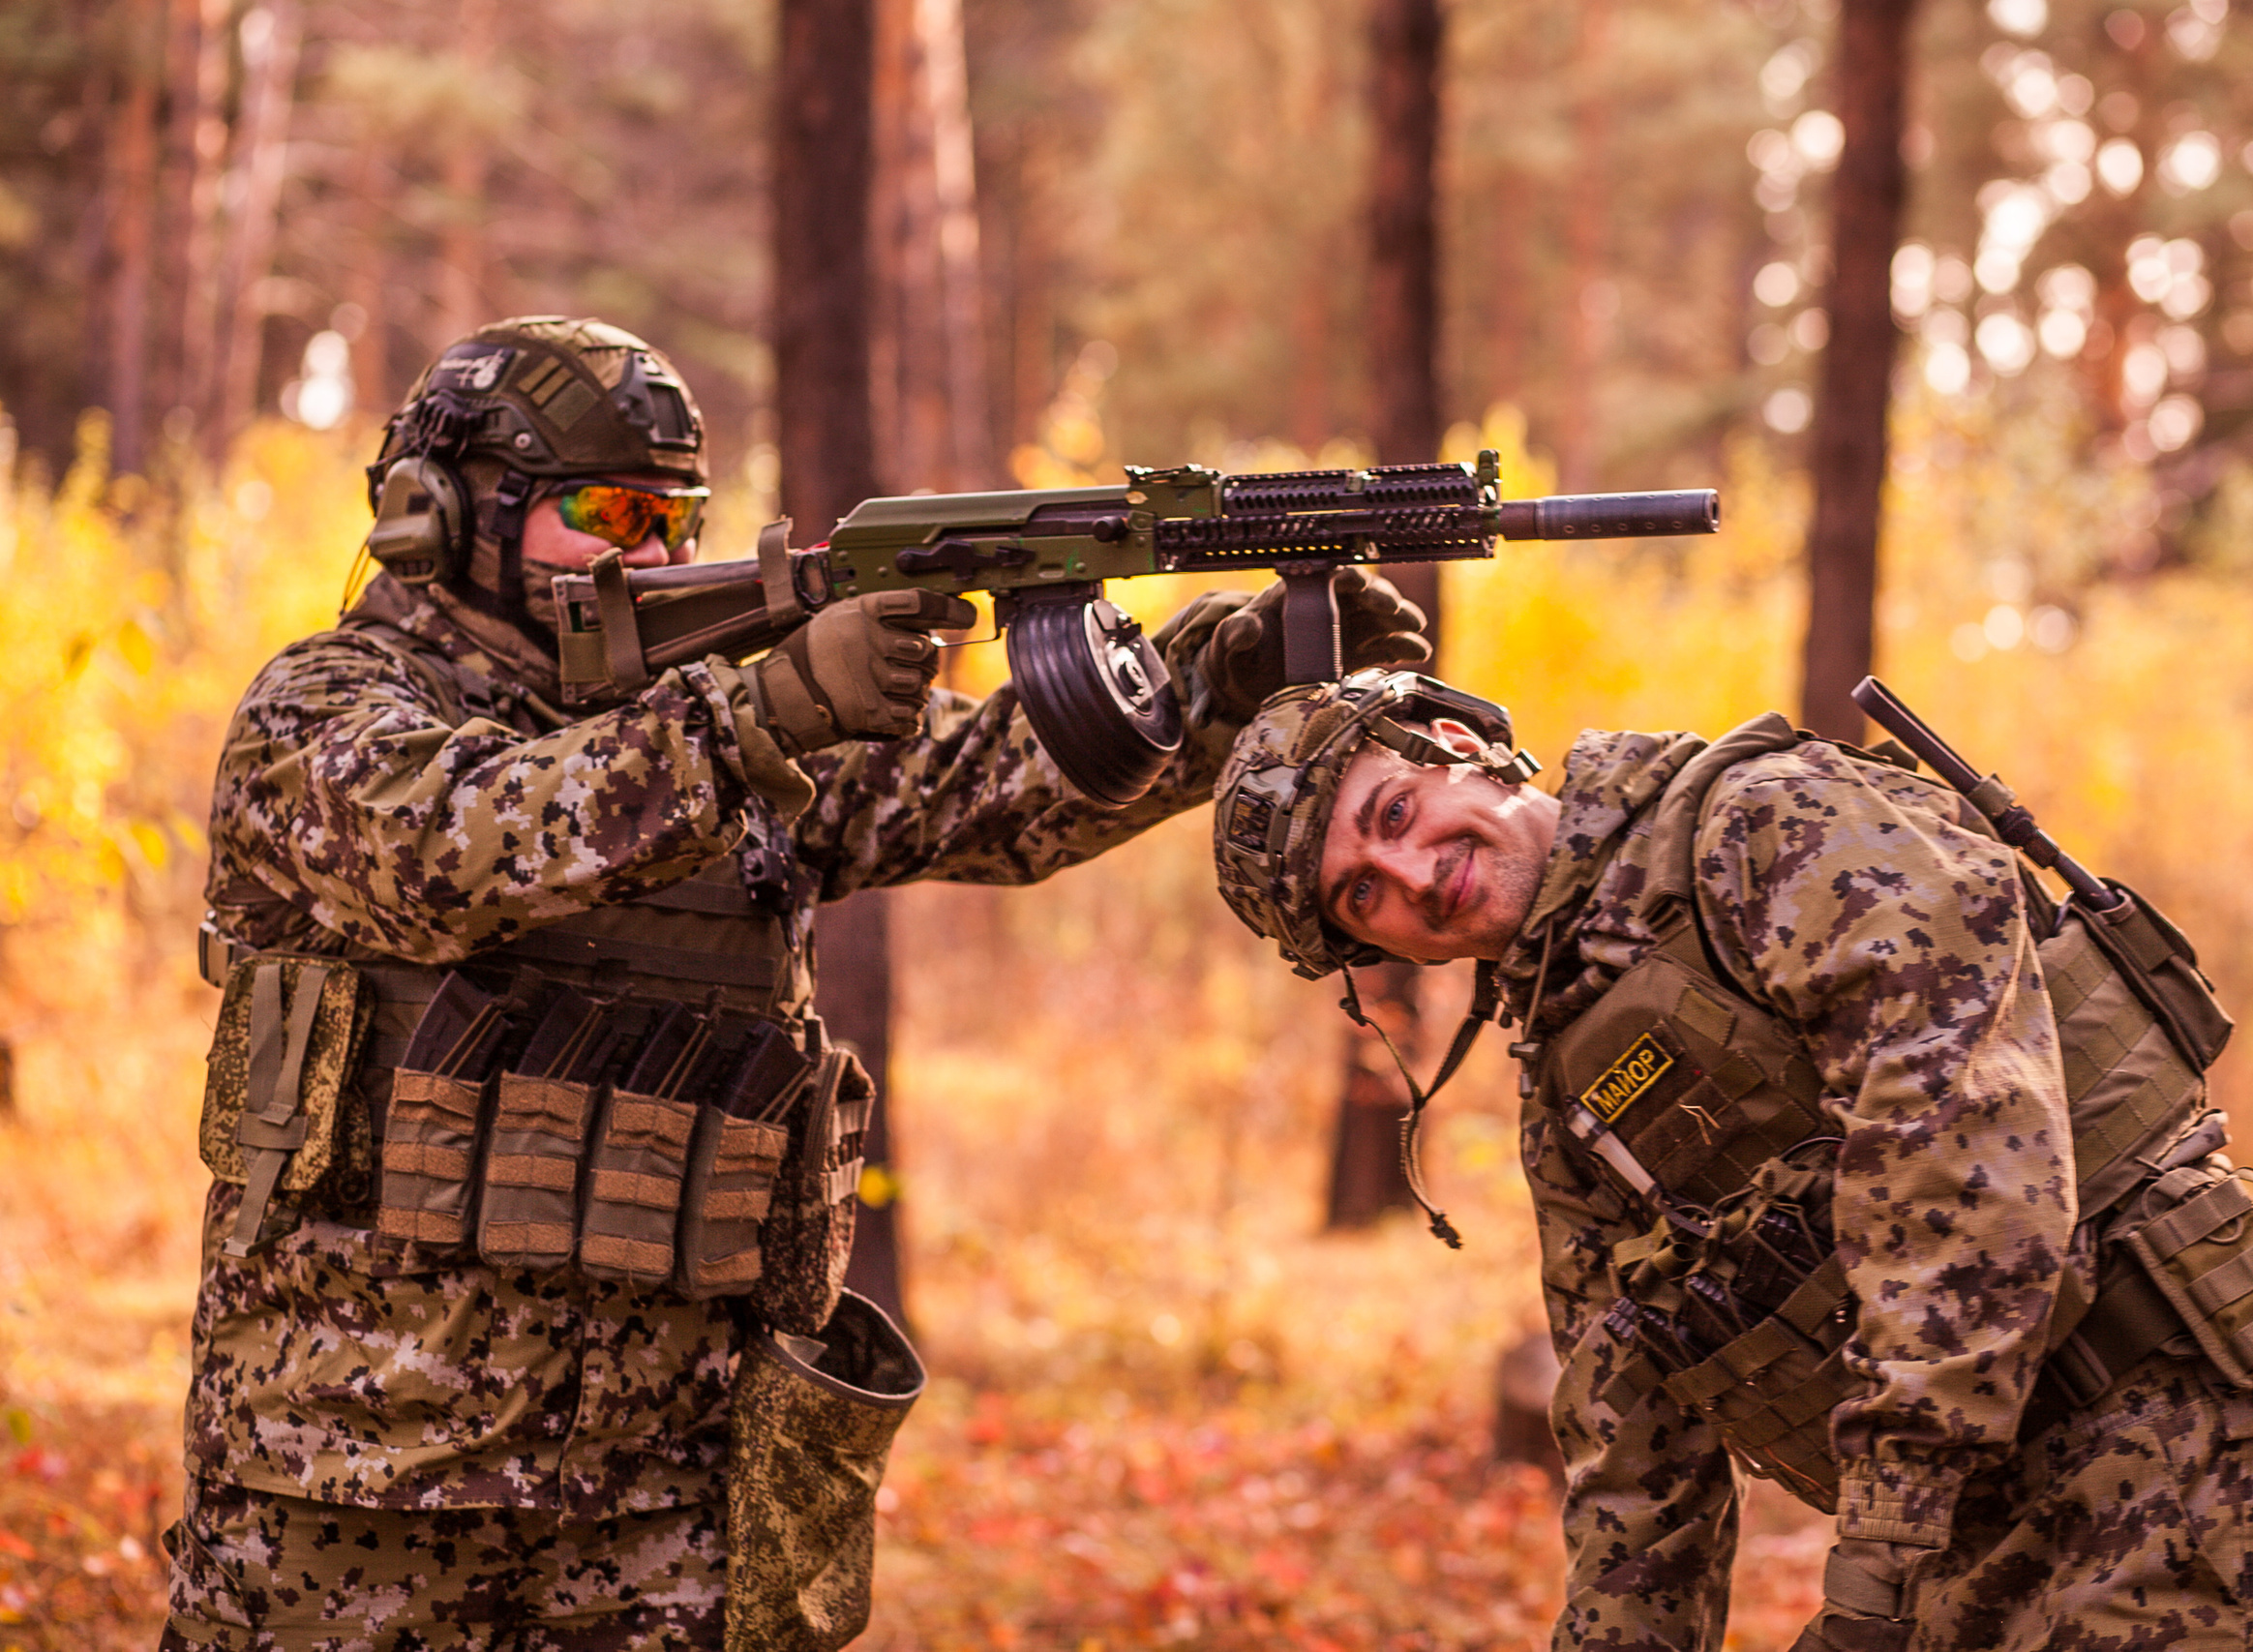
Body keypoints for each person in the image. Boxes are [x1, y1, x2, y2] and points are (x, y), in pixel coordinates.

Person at [164, 315, 1430, 1650]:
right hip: (360, 1466)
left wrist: (1206, 687)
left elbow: (985, 785)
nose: (651, 549)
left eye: (675, 514)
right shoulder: (325, 707)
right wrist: (763, 714)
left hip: (666, 1486)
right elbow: (462, 844)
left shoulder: (714, 717)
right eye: (605, 508)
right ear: (441, 512)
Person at [1211, 669, 2253, 1652]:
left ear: (1458, 749)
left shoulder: (1758, 827)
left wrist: (1882, 1544)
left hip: (2149, 1428)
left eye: (1394, 813)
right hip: (1964, 1529)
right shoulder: (1567, 1078)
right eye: (1360, 893)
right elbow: (1630, 1445)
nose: (1409, 873)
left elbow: (1957, 1140)